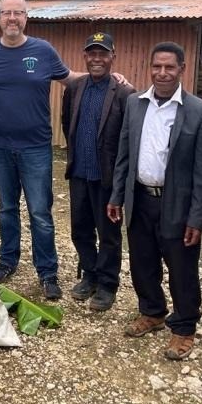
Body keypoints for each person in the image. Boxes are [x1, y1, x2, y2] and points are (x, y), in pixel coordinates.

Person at [106, 41, 202, 360]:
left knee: (181, 267)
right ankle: (152, 311)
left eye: (170, 67)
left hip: (176, 204)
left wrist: (197, 218)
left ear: (182, 69)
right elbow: (124, 153)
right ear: (149, 68)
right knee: (142, 261)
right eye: (157, 66)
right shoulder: (135, 104)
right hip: (139, 197)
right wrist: (117, 194)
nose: (163, 72)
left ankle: (184, 328)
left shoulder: (201, 112)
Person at [0, 0, 76, 300]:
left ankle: (47, 272)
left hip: (35, 147)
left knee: (39, 211)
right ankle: (8, 261)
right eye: (6, 13)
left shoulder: (43, 50)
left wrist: (111, 78)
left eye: (18, 13)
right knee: (6, 208)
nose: (12, 18)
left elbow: (70, 78)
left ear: (26, 17)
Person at [61, 32, 134, 311]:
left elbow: (127, 139)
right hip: (79, 173)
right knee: (80, 230)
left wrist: (120, 181)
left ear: (112, 57)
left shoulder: (124, 93)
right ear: (85, 56)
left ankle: (107, 284)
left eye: (103, 53)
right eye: (92, 53)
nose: (97, 59)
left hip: (107, 177)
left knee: (109, 234)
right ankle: (89, 274)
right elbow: (68, 124)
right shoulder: (76, 88)